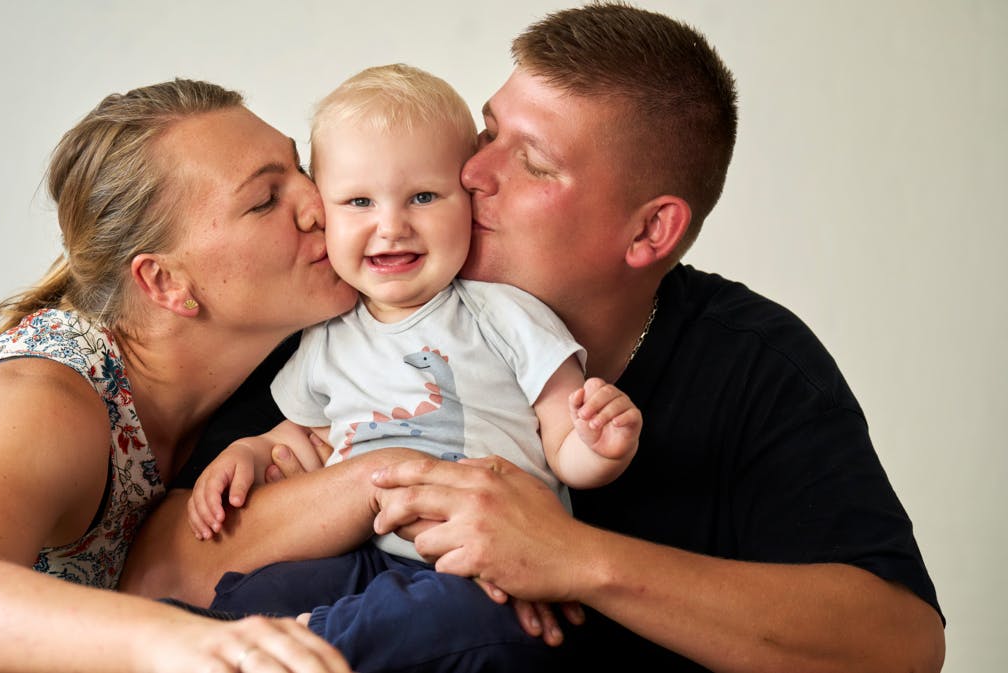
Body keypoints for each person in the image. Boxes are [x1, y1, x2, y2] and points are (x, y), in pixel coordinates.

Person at [360, 3, 947, 671]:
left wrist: (574, 557)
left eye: (535, 163)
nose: (472, 173)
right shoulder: (373, 291)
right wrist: (372, 481)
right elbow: (245, 545)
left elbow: (905, 646)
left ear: (649, 231)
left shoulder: (754, 365)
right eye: (487, 132)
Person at [0, 77, 404, 673]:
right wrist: (185, 641)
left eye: (300, 168)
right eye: (264, 200)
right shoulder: (45, 393)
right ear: (165, 282)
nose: (318, 203)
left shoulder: (297, 365)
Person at [183, 63, 642, 672]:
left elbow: (565, 448)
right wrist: (249, 452)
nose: (392, 225)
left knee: (467, 621)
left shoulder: (504, 314)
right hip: (361, 556)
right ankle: (219, 639)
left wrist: (600, 445)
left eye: (423, 197)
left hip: (479, 569)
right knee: (268, 585)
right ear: (324, 212)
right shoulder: (326, 335)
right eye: (359, 202)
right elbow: (304, 439)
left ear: (467, 201)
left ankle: (287, 647)